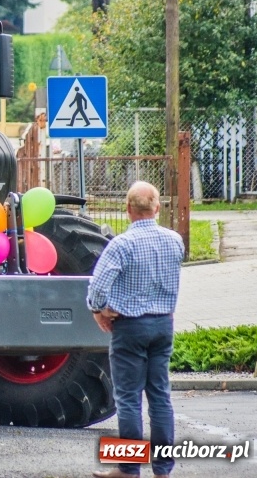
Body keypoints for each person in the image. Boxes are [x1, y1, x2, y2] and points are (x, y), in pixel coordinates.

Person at [87, 181, 185, 478]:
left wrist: (98, 309)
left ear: (128, 210)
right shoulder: (174, 240)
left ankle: (128, 468)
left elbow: (99, 285)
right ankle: (163, 470)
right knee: (160, 396)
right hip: (163, 325)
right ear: (157, 208)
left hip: (130, 327)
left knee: (128, 398)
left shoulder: (121, 245)